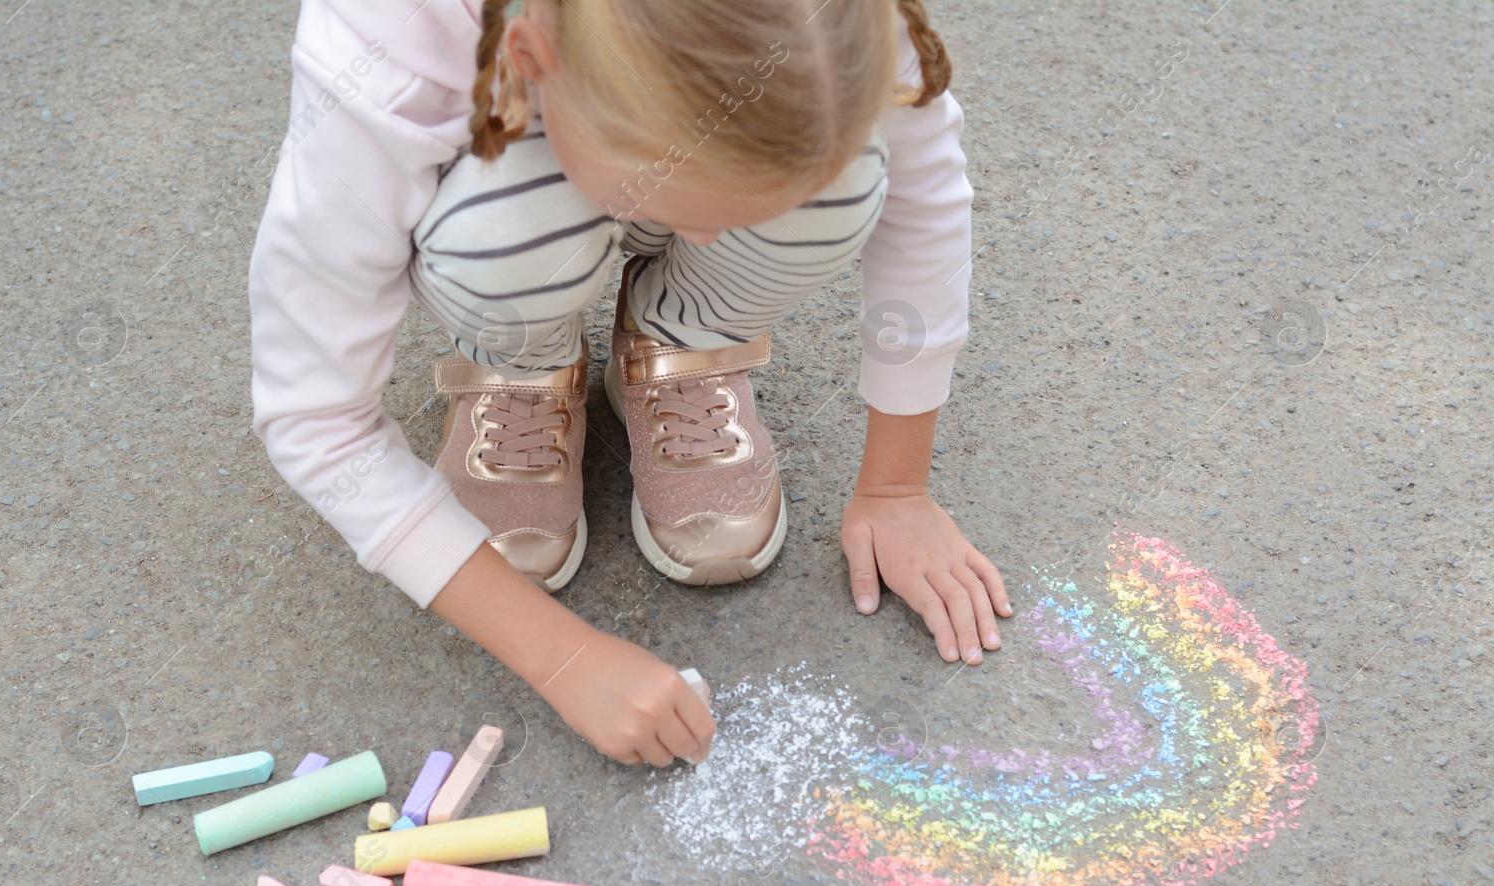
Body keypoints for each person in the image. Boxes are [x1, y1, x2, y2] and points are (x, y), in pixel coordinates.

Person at [249, 0, 1012, 768]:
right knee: (499, 237)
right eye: (702, 212)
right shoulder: (387, 45)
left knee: (845, 175)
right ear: (530, 54)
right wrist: (563, 657)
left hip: (610, 124)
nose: (711, 236)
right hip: (512, 182)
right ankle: (522, 361)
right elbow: (316, 416)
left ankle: (682, 333)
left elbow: (925, 202)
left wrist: (896, 486)